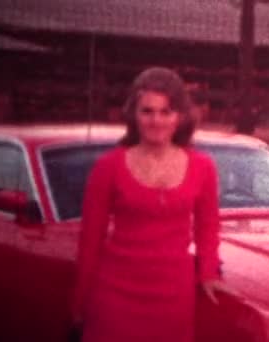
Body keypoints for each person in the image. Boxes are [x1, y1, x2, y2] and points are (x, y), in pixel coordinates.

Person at [71, 67, 230, 342]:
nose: (156, 120)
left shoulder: (203, 168)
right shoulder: (108, 167)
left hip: (173, 297)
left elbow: (208, 228)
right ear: (134, 114)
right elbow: (90, 241)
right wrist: (79, 303)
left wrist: (208, 272)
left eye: (165, 111)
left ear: (179, 116)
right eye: (147, 111)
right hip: (115, 295)